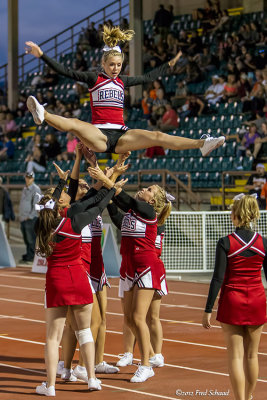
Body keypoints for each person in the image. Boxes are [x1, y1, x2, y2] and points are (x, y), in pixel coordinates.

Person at [25, 25, 225, 158]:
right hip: (99, 135)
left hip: (122, 135)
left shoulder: (123, 81)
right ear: (103, 63)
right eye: (111, 64)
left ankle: (202, 144)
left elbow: (148, 77)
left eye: (119, 65)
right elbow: (65, 71)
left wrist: (169, 65)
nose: (115, 68)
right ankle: (43, 114)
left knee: (157, 135)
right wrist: (41, 55)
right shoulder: (94, 78)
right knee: (76, 124)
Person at [34, 162, 122, 396]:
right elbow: (97, 205)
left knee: (53, 338)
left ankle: (50, 386)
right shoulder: (73, 222)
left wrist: (63, 183)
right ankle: (91, 378)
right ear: (57, 205)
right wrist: (112, 187)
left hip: (56, 281)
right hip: (79, 278)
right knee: (84, 332)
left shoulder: (41, 228)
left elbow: (52, 203)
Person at [89, 164, 172, 383]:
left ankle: (146, 364)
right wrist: (109, 178)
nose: (145, 189)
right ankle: (150, 356)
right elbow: (116, 211)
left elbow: (124, 199)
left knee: (139, 317)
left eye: (150, 190)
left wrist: (108, 180)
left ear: (152, 201)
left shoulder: (147, 211)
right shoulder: (133, 215)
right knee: (129, 319)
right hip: (129, 269)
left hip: (146, 267)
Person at [202, 194, 267, 400]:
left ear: (235, 215)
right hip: (257, 299)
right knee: (252, 355)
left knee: (236, 355)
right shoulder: (263, 242)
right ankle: (249, 396)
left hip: (232, 300)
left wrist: (208, 310)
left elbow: (217, 279)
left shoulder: (225, 242)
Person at [18, 171, 41, 264]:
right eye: (27, 177)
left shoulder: (36, 189)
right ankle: (28, 254)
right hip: (23, 218)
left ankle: (32, 256)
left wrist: (30, 216)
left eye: (30, 177)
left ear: (33, 178)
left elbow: (36, 204)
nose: (28, 179)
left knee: (31, 238)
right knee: (26, 238)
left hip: (30, 219)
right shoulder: (25, 189)